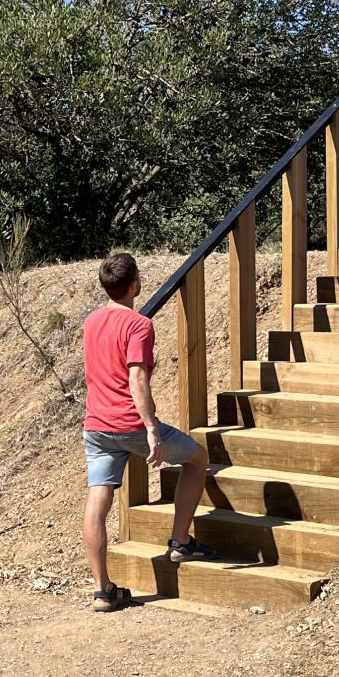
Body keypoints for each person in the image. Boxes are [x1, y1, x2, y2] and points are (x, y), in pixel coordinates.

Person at [80, 252, 210, 612]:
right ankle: (181, 541)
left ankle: (102, 590)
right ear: (135, 285)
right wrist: (151, 429)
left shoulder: (91, 322)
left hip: (96, 426)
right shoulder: (138, 325)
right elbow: (136, 377)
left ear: (105, 285)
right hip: (130, 424)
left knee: (97, 501)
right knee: (198, 458)